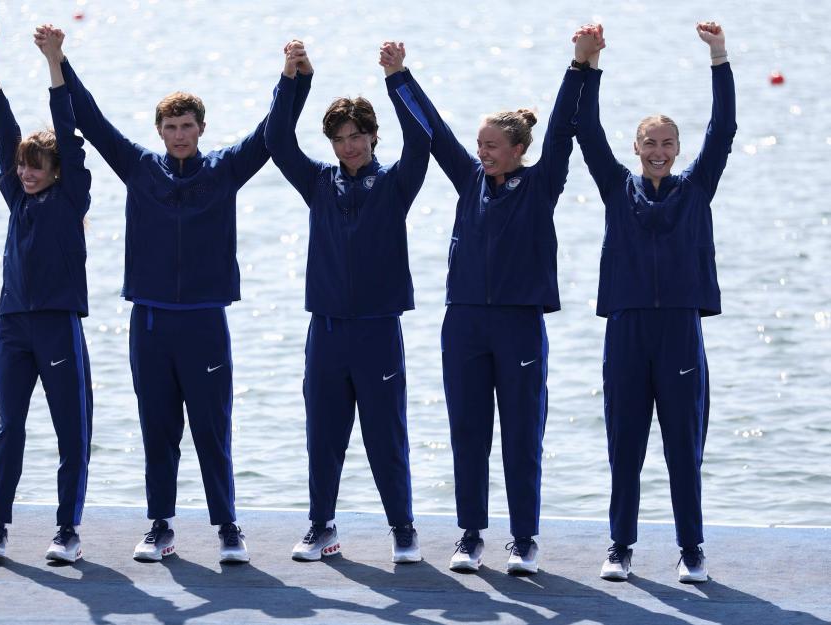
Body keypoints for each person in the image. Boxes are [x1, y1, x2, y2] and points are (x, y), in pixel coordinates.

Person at [34, 25, 311, 563]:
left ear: (201, 128)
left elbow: (273, 133)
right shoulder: (139, 167)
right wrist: (57, 59)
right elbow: (88, 118)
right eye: (170, 126)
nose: (179, 134)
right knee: (157, 429)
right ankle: (160, 527)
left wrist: (292, 76)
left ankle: (229, 528)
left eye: (187, 126)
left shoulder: (225, 170)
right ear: (159, 130)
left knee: (212, 428)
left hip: (205, 322)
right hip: (152, 323)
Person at [401, 29, 594, 574]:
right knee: (468, 433)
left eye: (490, 145)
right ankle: (469, 536)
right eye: (479, 144)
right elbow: (434, 131)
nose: (481, 152)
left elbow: (561, 131)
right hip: (463, 324)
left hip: (519, 325)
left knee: (521, 436)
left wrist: (579, 68)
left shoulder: (541, 184)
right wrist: (399, 78)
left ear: (516, 150)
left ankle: (524, 540)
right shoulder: (468, 179)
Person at [573, 22, 735, 584]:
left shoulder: (697, 188)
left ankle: (692, 550)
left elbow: (725, 126)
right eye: (650, 143)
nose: (659, 152)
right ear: (636, 149)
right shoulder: (617, 188)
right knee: (626, 447)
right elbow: (584, 128)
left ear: (678, 150)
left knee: (683, 449)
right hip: (626, 331)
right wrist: (589, 65)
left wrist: (718, 56)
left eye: (668, 144)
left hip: (680, 332)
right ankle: (620, 547)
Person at [265, 40, 432, 563]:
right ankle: (322, 527)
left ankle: (403, 529)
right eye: (339, 139)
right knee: (324, 435)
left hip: (379, 330)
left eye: (357, 136)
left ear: (373, 135)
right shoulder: (317, 182)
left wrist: (397, 77)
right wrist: (295, 79)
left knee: (386, 436)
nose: (349, 146)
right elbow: (276, 137)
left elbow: (422, 138)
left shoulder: (395, 183)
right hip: (329, 331)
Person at [0, 22, 93, 563]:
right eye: (22, 165)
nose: (25, 172)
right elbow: (5, 131)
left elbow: (67, 128)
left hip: (57, 323)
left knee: (72, 431)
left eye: (35, 165)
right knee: (10, 429)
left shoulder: (71, 197)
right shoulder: (16, 196)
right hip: (13, 327)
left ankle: (66, 532)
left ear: (55, 171)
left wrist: (55, 61)